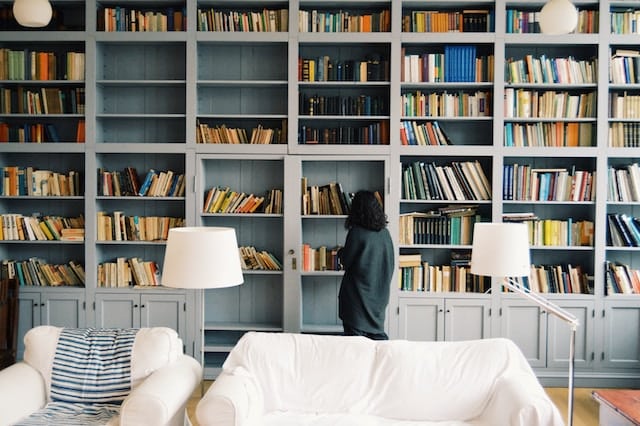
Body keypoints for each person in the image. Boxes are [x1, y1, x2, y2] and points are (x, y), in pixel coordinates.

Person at [338, 190, 394, 340]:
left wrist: (340, 252)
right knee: (377, 344)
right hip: (379, 298)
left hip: (356, 300)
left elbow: (346, 261)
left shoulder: (356, 233)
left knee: (356, 349)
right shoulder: (385, 234)